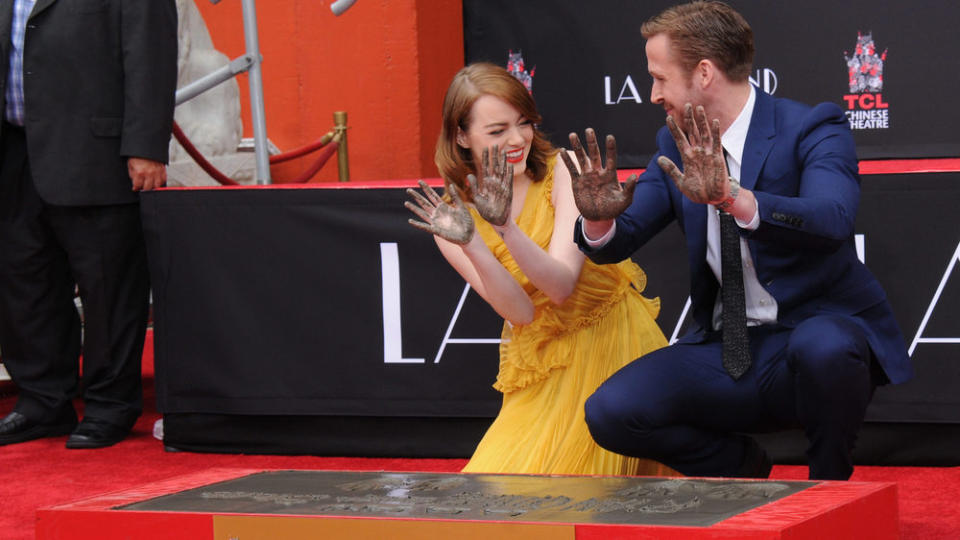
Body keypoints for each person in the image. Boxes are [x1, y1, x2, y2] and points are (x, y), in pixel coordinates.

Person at [564, 0, 912, 481]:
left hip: (810, 337)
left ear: (704, 73)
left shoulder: (811, 127)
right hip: (728, 349)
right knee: (611, 411)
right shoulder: (675, 143)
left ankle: (829, 485)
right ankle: (740, 465)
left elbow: (832, 219)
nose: (651, 94)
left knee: (825, 348)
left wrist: (735, 199)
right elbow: (624, 236)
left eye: (660, 78)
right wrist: (598, 221)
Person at [405, 63, 674, 476]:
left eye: (524, 123)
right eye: (497, 132)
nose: (517, 140)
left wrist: (504, 227)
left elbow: (561, 285)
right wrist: (475, 240)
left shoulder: (562, 170)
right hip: (544, 364)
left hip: (613, 339)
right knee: (498, 487)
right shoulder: (452, 219)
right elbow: (520, 313)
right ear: (461, 137)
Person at [0, 0, 178, 448]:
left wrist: (146, 145)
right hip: (13, 153)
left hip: (95, 155)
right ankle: (42, 401)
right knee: (24, 282)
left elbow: (150, 56)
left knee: (108, 287)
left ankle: (109, 406)